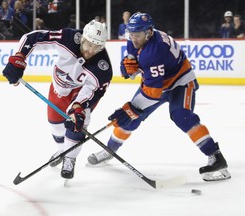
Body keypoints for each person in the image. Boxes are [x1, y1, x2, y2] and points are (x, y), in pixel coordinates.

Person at [87, 12, 231, 182]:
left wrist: (130, 109)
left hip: (180, 82)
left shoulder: (154, 52)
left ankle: (215, 156)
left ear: (149, 32)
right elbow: (131, 61)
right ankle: (109, 150)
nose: (134, 39)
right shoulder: (138, 36)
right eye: (131, 34)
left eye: (138, 35)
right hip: (157, 83)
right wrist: (127, 68)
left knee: (181, 116)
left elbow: (153, 94)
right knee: (130, 119)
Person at [2, 20, 112, 179]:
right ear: (82, 37)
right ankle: (62, 150)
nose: (90, 50)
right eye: (88, 43)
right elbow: (33, 38)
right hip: (58, 88)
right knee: (55, 126)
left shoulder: (103, 68)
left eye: (96, 47)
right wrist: (19, 56)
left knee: (77, 123)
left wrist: (78, 107)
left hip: (79, 93)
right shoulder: (68, 37)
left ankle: (70, 158)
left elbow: (94, 92)